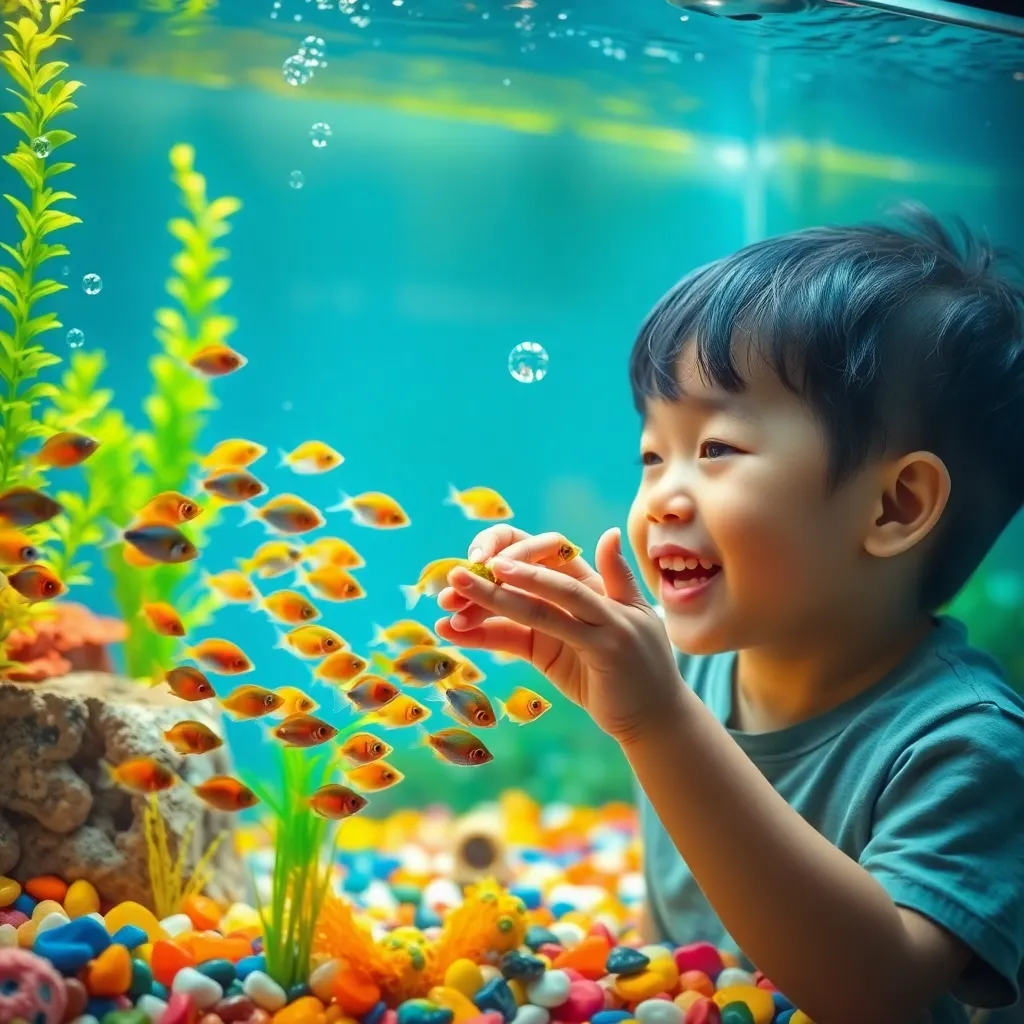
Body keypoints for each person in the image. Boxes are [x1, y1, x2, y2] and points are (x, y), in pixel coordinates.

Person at [433, 205, 1024, 1024]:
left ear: (893, 505)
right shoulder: (691, 680)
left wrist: (658, 721)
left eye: (715, 449)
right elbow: (673, 952)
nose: (662, 497)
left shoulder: (965, 744)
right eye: (652, 454)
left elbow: (877, 990)